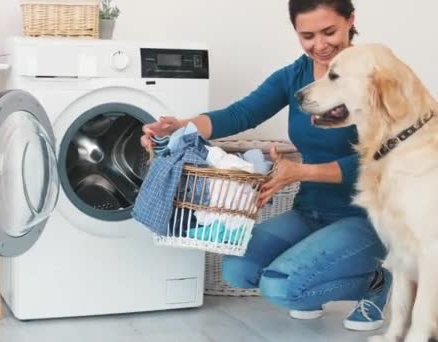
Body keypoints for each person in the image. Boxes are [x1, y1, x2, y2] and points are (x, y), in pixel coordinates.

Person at [140, 0, 391, 332]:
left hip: (364, 216)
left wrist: (302, 172)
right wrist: (179, 127)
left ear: (351, 21)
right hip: (309, 212)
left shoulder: (376, 77)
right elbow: (240, 114)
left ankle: (375, 281)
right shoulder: (295, 76)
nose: (320, 45)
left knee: (282, 287)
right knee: (238, 270)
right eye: (308, 35)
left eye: (329, 32)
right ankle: (311, 283)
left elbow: (383, 157)